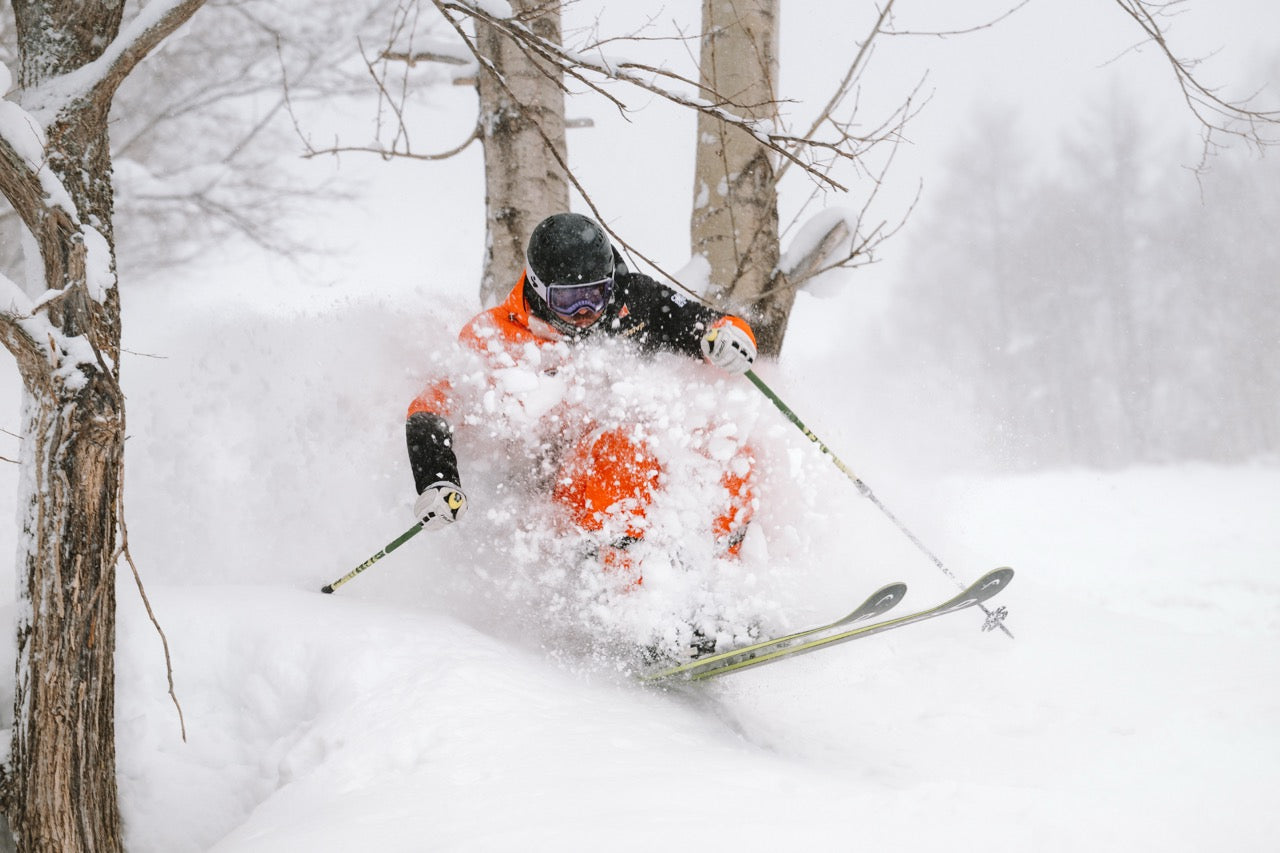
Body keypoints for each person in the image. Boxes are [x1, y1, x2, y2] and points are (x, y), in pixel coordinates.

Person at [405, 212, 759, 584]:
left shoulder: (632, 299)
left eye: (596, 294)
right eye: (570, 300)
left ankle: (724, 584)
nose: (586, 312)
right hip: (559, 489)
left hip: (650, 462)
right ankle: (633, 595)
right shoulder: (494, 336)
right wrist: (436, 477)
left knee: (724, 445)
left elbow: (703, 322)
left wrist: (726, 337)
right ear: (540, 290)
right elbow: (431, 405)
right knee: (620, 451)